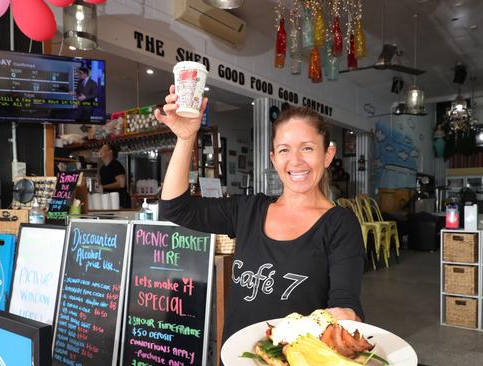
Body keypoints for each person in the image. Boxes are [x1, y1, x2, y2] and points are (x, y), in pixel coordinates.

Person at [155, 85, 366, 343]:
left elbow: (345, 302)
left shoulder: (340, 225)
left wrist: (346, 316)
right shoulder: (248, 210)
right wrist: (186, 138)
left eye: (308, 148)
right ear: (273, 158)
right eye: (285, 150)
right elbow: (175, 208)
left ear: (327, 155)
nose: (296, 161)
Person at [99, 143, 130, 208]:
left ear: (110, 152)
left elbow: (121, 184)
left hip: (119, 202)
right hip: (108, 202)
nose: (100, 151)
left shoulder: (116, 165)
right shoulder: (102, 169)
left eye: (103, 149)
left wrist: (103, 187)